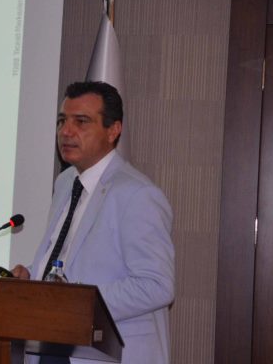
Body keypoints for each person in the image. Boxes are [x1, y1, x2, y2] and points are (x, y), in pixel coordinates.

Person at [11, 81, 174, 364]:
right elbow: (69, 258)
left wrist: (79, 302)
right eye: (62, 121)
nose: (66, 131)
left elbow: (157, 285)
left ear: (113, 130)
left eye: (81, 121)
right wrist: (32, 278)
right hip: (50, 344)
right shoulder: (66, 182)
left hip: (104, 353)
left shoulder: (137, 194)